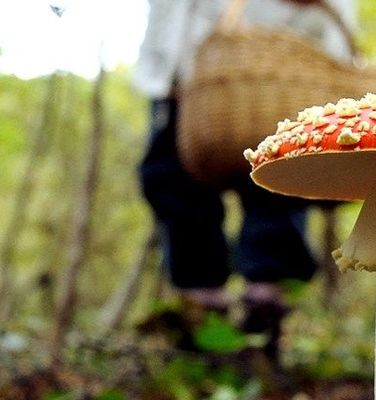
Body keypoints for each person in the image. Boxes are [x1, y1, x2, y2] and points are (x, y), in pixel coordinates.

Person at [132, 0, 355, 358]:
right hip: (183, 63)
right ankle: (200, 321)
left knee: (277, 185)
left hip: (280, 63)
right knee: (174, 181)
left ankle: (264, 319)